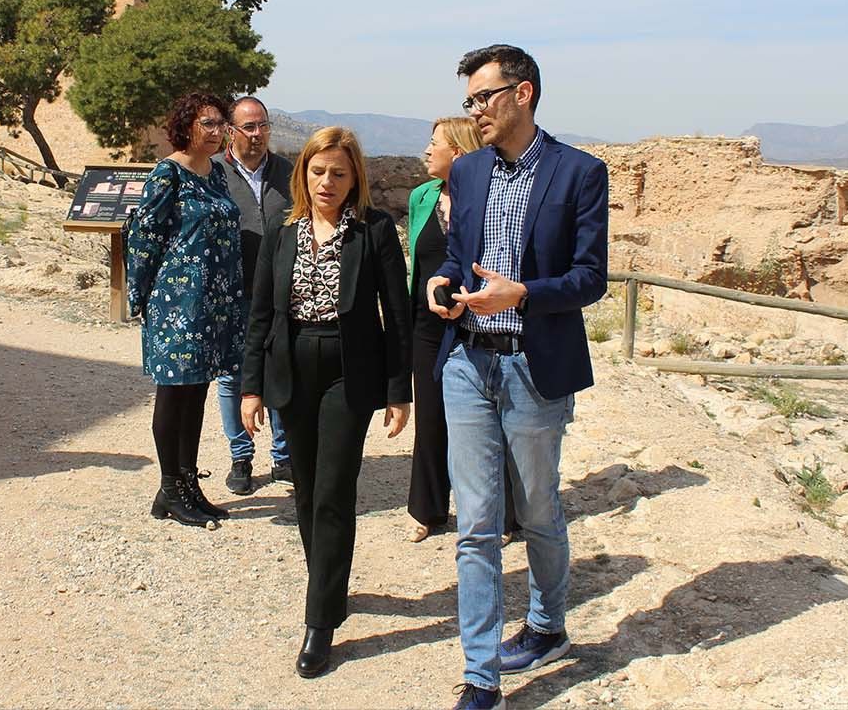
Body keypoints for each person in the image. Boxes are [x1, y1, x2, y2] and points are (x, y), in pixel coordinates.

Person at [426, 46, 608, 710]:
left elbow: (590, 278)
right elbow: (457, 256)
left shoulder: (579, 172)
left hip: (534, 366)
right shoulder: (468, 170)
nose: (474, 110)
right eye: (469, 100)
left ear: (522, 93)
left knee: (536, 511)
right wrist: (442, 281)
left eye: (483, 97)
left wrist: (523, 294)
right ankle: (481, 678)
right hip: (467, 364)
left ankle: (546, 625)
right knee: (475, 524)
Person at [241, 126, 412, 679]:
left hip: (348, 371)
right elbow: (260, 313)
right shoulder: (281, 228)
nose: (327, 183)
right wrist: (250, 386)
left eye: (339, 173)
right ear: (303, 173)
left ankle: (320, 621)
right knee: (307, 490)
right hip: (291, 368)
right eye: (318, 172)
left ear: (354, 176)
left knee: (334, 491)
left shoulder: (374, 230)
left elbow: (397, 315)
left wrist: (399, 389)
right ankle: (329, 586)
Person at [126, 92, 246, 528]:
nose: (217, 132)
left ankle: (186, 485)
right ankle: (171, 487)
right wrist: (138, 297)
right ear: (186, 126)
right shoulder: (167, 174)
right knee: (173, 394)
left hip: (213, 304)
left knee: (196, 393)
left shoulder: (217, 174)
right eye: (207, 123)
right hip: (177, 304)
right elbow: (145, 238)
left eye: (221, 124)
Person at [406, 117, 522, 545]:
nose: (426, 150)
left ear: (457, 151)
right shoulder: (421, 197)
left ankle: (504, 516)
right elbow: (417, 262)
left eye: (434, 143)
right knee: (430, 418)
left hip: (477, 321)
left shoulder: (489, 196)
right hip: (427, 324)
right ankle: (428, 509)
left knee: (490, 422)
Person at [219, 95, 293, 495]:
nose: (258, 134)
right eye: (249, 127)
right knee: (233, 375)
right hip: (234, 292)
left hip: (282, 292)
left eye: (263, 125)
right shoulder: (214, 174)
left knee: (280, 368)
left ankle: (283, 456)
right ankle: (241, 456)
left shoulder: (288, 172)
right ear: (231, 131)